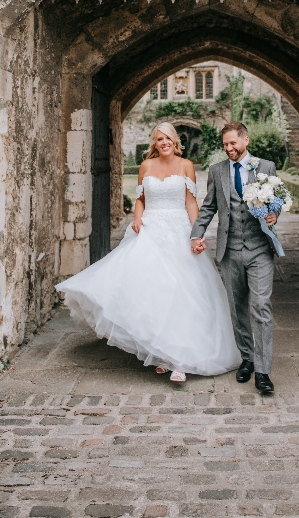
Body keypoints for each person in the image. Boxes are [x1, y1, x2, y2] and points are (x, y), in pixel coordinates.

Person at [55, 122, 240, 383]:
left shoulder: (186, 165)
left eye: (167, 138)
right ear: (154, 143)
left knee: (182, 293)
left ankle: (181, 360)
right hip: (151, 231)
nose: (163, 142)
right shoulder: (146, 167)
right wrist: (137, 218)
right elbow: (140, 199)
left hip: (178, 231)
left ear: (175, 141)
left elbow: (190, 201)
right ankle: (162, 353)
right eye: (158, 139)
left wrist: (197, 233)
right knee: (154, 293)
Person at [190, 122, 280, 394]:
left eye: (233, 143)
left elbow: (276, 201)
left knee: (261, 306)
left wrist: (275, 214)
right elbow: (209, 206)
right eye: (225, 144)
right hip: (229, 250)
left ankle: (263, 371)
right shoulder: (217, 171)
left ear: (245, 140)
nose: (229, 149)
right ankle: (248, 358)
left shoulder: (266, 167)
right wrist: (196, 234)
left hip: (259, 248)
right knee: (237, 307)